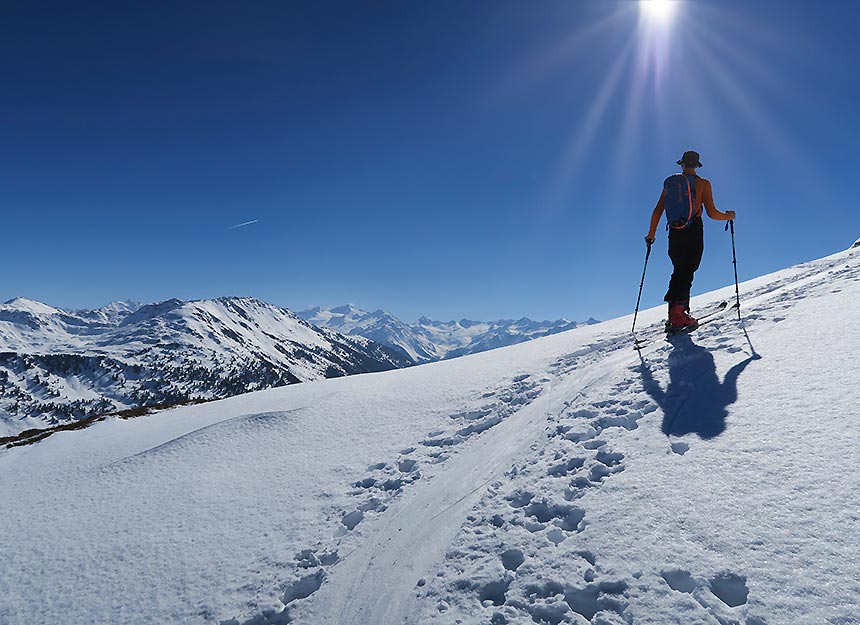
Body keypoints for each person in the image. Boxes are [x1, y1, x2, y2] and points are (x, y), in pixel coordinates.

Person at [645, 150, 736, 329]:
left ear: (682, 164)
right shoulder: (703, 184)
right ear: (697, 165)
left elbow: (657, 210)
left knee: (679, 270)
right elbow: (712, 213)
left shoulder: (671, 184)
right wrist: (729, 216)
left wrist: (651, 234)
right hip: (693, 229)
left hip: (674, 231)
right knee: (688, 270)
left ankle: (675, 312)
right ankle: (678, 316)